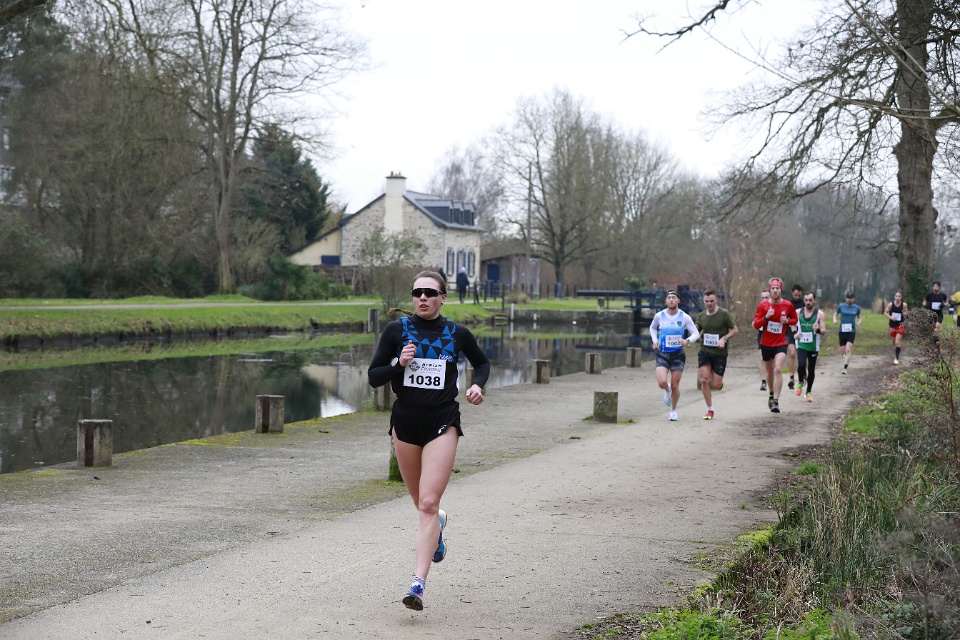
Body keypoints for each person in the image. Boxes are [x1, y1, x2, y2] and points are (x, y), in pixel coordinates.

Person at [367, 270, 490, 611]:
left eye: (430, 292)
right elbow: (374, 377)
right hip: (406, 422)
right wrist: (398, 362)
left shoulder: (456, 333)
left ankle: (417, 585)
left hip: (442, 421)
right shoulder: (396, 331)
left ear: (442, 297)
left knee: (427, 504)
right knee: (421, 502)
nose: (423, 297)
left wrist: (477, 385)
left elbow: (482, 363)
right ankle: (438, 529)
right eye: (417, 292)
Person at [650, 289, 701, 422]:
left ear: (678, 301)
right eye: (669, 298)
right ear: (666, 301)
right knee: (662, 382)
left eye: (674, 297)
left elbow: (696, 333)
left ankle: (673, 410)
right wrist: (655, 341)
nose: (671, 300)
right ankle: (667, 390)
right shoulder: (659, 316)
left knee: (675, 385)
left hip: (678, 355)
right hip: (663, 353)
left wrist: (687, 341)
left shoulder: (684, 317)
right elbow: (652, 328)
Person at [752, 278, 798, 413]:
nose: (775, 291)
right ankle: (771, 394)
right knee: (770, 373)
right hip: (766, 343)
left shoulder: (788, 305)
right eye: (773, 288)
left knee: (778, 369)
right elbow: (756, 325)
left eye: (777, 288)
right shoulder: (763, 306)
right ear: (770, 290)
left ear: (781, 290)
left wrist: (787, 321)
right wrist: (766, 317)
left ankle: (776, 401)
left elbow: (795, 319)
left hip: (781, 342)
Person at [695, 289, 738, 420]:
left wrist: (724, 339)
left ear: (716, 300)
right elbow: (695, 330)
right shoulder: (701, 316)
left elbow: (735, 330)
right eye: (706, 301)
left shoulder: (724, 314)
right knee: (704, 380)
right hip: (705, 351)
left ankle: (719, 382)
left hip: (720, 353)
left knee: (716, 385)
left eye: (711, 301)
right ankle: (710, 409)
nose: (709, 304)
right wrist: (689, 336)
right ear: (703, 301)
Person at [795, 291, 826, 402]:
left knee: (811, 369)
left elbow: (823, 331)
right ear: (804, 301)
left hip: (813, 346)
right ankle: (800, 381)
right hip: (801, 344)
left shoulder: (819, 314)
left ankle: (808, 392)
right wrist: (795, 334)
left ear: (814, 300)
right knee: (801, 364)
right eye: (806, 300)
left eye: (810, 300)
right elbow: (792, 325)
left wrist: (817, 330)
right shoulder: (798, 312)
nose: (808, 302)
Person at [833, 292, 862, 374]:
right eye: (848, 298)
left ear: (853, 299)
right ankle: (847, 357)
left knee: (848, 349)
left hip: (851, 331)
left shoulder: (856, 308)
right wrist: (834, 320)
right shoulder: (841, 306)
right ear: (846, 298)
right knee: (842, 351)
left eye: (851, 298)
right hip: (842, 331)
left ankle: (845, 368)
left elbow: (859, 317)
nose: (849, 299)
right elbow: (835, 314)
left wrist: (859, 322)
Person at [786, 285, 804, 391]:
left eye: (799, 295)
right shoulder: (788, 304)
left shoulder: (804, 304)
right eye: (795, 295)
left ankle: (803, 374)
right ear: (792, 293)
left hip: (802, 332)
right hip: (790, 332)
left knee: (802, 356)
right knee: (792, 353)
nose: (797, 297)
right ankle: (791, 378)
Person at [884, 290, 908, 365]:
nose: (898, 297)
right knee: (894, 342)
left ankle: (896, 359)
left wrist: (905, 313)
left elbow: (906, 313)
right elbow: (885, 312)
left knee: (897, 342)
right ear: (894, 297)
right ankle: (898, 348)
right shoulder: (891, 304)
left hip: (901, 325)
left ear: (901, 297)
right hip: (892, 325)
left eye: (899, 296)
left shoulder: (904, 305)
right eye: (896, 296)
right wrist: (891, 317)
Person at [757, 290, 770, 391]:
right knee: (761, 358)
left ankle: (771, 378)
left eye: (766, 297)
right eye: (763, 298)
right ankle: (763, 381)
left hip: (773, 336)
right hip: (762, 335)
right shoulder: (760, 308)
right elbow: (756, 322)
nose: (764, 300)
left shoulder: (775, 307)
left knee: (771, 360)